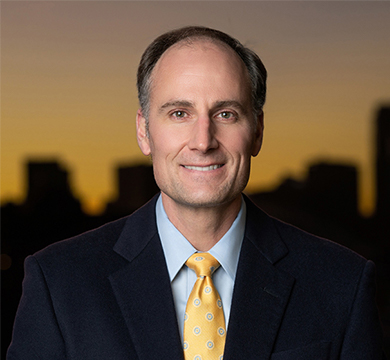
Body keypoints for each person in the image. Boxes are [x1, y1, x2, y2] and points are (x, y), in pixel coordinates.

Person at [7, 26, 385, 360]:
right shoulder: (59, 282)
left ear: (257, 131)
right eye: (179, 113)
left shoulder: (341, 284)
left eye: (226, 114)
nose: (203, 142)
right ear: (143, 131)